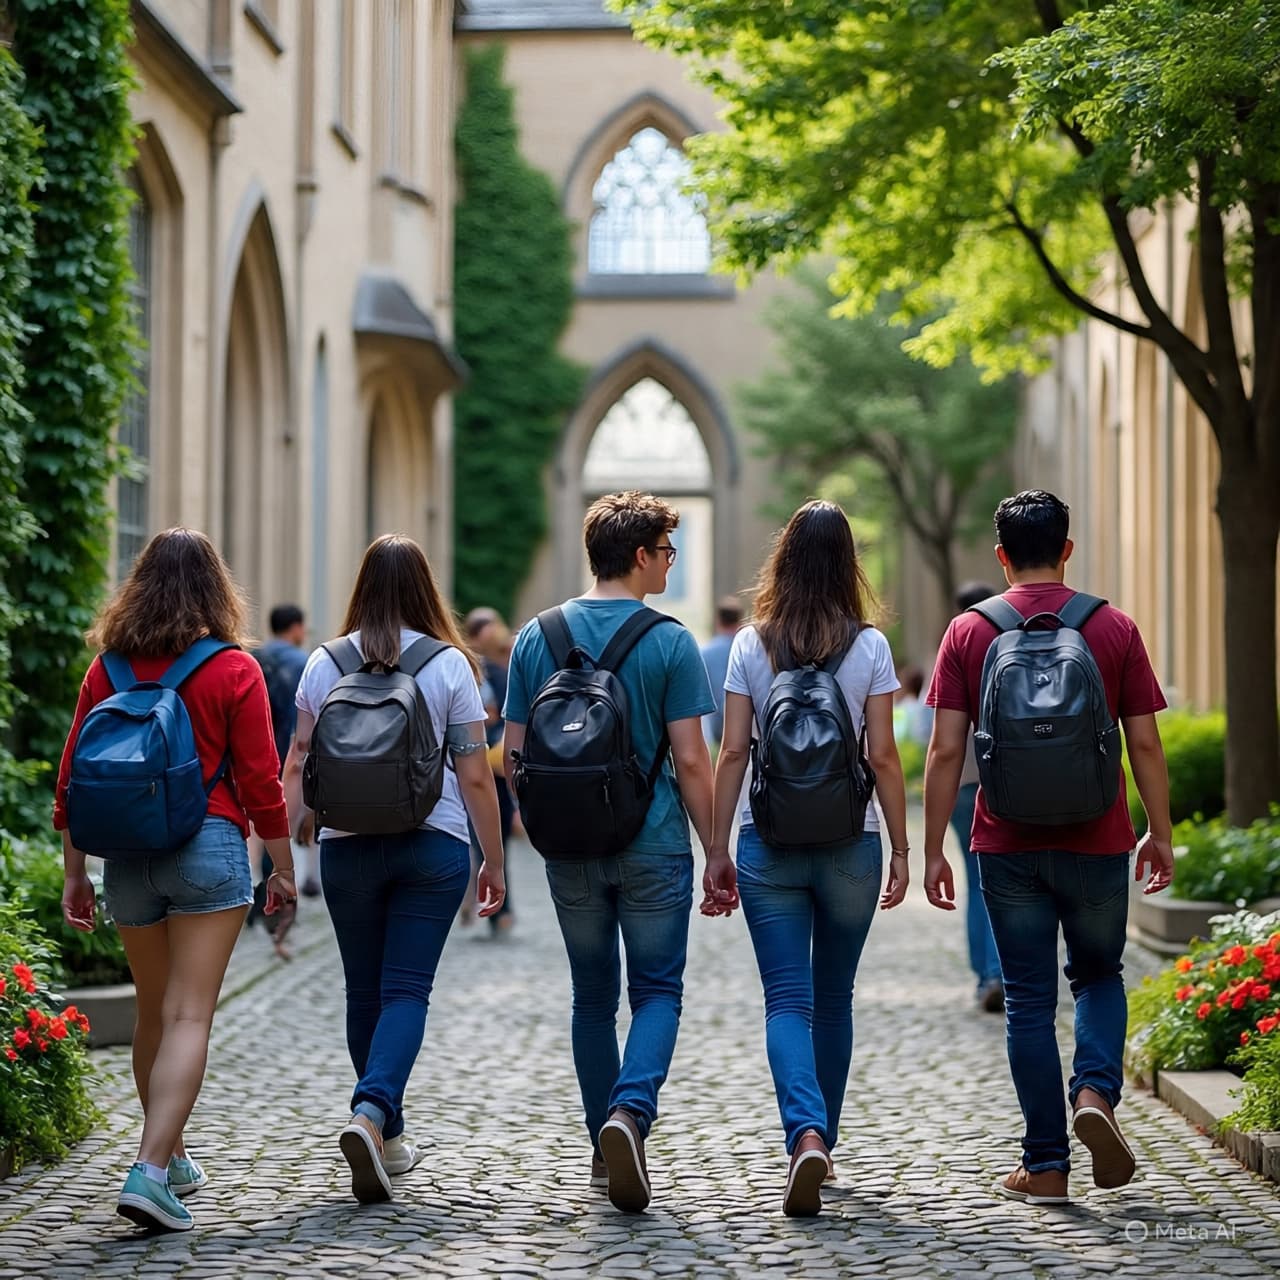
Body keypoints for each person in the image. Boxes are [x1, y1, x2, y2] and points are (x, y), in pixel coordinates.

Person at [922, 490, 1175, 1205]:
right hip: (1098, 838)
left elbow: (945, 751)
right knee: (1098, 975)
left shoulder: (969, 632)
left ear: (1001, 557)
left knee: (1029, 1000)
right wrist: (1160, 832)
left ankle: (1046, 1166)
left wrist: (932, 850)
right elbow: (1144, 742)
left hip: (1006, 842)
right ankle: (1094, 1093)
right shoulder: (1113, 626)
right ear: (1067, 549)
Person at [54, 528, 296, 1233]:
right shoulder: (234, 668)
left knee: (155, 1015)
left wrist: (75, 874)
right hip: (207, 848)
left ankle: (175, 1156)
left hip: (127, 858)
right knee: (190, 1015)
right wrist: (282, 866)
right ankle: (151, 1171)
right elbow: (260, 782)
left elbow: (71, 781)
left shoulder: (108, 670)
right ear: (218, 588)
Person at [502, 491, 723, 1214]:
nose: (670, 563)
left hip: (569, 848)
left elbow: (513, 755)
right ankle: (630, 1113)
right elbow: (692, 760)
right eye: (666, 551)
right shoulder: (670, 642)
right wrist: (715, 848)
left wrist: (543, 823)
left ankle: (604, 1151)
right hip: (653, 843)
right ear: (637, 555)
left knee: (592, 997)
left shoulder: (536, 636)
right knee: (657, 991)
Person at [283, 534, 505, 1205]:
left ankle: (385, 1132)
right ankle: (373, 1114)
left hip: (346, 845)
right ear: (424, 589)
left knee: (363, 991)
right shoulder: (449, 665)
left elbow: (296, 762)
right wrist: (493, 860)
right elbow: (475, 775)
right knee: (406, 990)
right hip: (431, 846)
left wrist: (283, 857)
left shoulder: (325, 662)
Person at [707, 500, 910, 1218]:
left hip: (769, 842)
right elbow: (882, 757)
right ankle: (826, 1138)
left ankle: (805, 1136)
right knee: (835, 998)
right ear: (848, 564)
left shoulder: (750, 644)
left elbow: (733, 751)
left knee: (787, 1001)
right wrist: (902, 849)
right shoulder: (870, 647)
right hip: (851, 842)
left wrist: (717, 847)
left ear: (783, 561)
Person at [246, 604, 315, 948]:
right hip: (286, 756)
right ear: (296, 627)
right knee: (279, 827)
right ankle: (274, 900)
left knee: (254, 830)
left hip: (252, 755)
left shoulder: (255, 657)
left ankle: (254, 897)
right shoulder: (303, 663)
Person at [950, 582, 1004, 1013]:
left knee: (974, 882)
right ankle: (1000, 971)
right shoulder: (1012, 642)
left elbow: (934, 736)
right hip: (1004, 783)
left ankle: (985, 974)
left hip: (961, 784)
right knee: (1001, 883)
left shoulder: (953, 645)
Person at [464, 607, 516, 933]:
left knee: (496, 839)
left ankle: (496, 905)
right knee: (477, 839)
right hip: (474, 762)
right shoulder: (469, 668)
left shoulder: (504, 669)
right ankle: (485, 903)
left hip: (496, 763)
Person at [699, 595, 744, 749]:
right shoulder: (747, 651)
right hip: (744, 725)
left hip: (715, 728)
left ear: (718, 621)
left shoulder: (704, 653)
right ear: (740, 621)